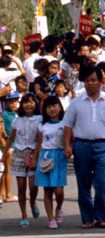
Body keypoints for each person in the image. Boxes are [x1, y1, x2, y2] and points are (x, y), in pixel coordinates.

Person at [63, 61, 105, 228]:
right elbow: (67, 126)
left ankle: (101, 217)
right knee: (83, 183)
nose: (90, 83)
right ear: (83, 82)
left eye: (94, 80)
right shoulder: (76, 103)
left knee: (101, 183)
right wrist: (67, 145)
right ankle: (87, 218)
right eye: (87, 80)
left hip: (102, 145)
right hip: (81, 145)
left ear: (100, 81)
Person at [34, 94, 67, 228]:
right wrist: (35, 158)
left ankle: (59, 207)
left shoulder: (65, 124)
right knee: (47, 190)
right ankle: (51, 218)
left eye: (54, 106)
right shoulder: (42, 126)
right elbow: (39, 143)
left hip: (59, 157)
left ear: (59, 107)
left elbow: (70, 139)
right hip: (45, 157)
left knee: (58, 190)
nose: (51, 109)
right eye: (48, 107)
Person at [10, 90, 42, 226]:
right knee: (21, 187)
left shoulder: (39, 119)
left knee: (33, 186)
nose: (28, 105)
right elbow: (12, 136)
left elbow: (40, 139)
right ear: (21, 105)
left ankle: (33, 202)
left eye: (31, 102)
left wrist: (36, 155)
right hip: (19, 152)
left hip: (33, 152)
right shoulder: (17, 120)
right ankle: (24, 214)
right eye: (25, 102)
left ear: (35, 103)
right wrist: (6, 150)